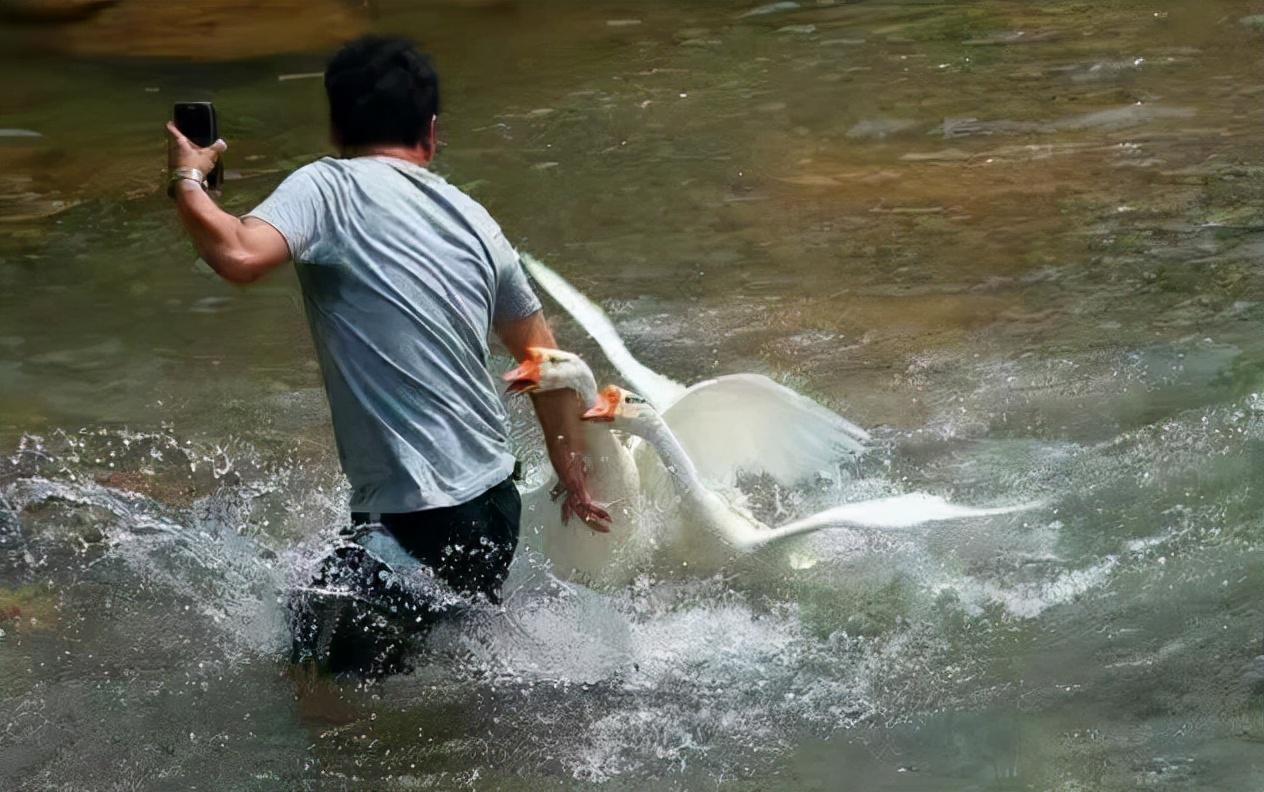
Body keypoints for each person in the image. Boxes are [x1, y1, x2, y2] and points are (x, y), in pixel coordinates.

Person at [164, 36, 611, 618]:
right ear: (430, 131)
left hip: (412, 518)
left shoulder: (326, 186)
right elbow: (545, 361)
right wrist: (572, 476)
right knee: (448, 667)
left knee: (313, 684)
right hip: (495, 505)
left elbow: (240, 255)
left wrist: (187, 180)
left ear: (336, 129)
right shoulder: (476, 220)